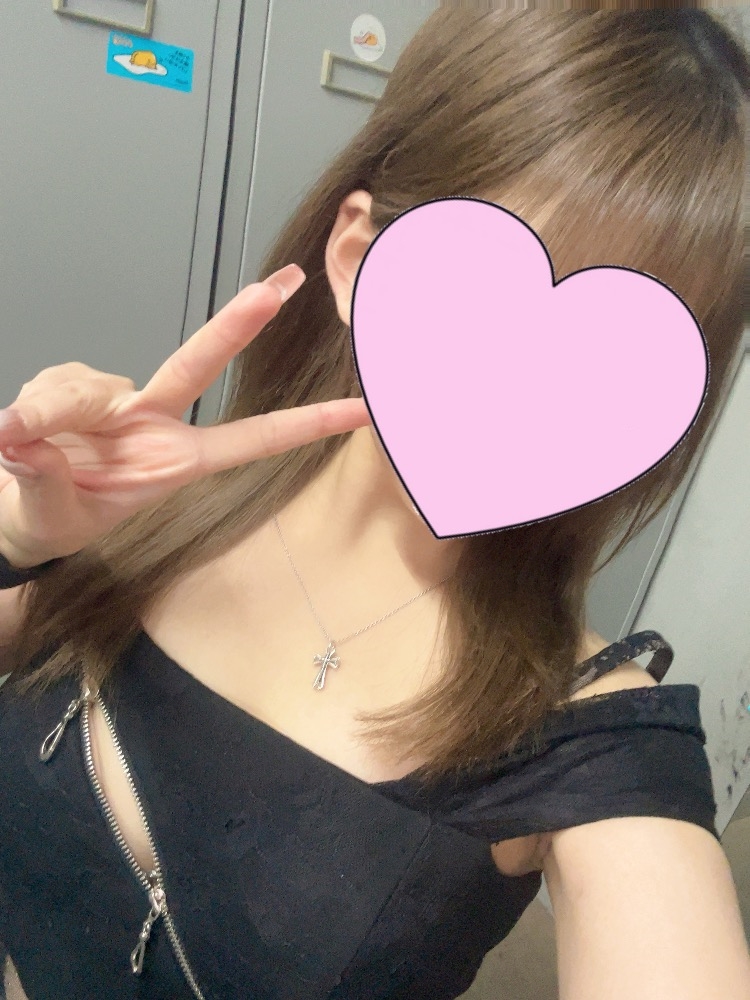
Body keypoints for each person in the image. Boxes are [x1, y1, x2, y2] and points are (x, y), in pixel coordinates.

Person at [0, 7, 749, 1000]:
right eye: (487, 302)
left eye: (609, 363)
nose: (526, 391)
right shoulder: (134, 515)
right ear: (358, 255)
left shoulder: (594, 736)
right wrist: (17, 539)